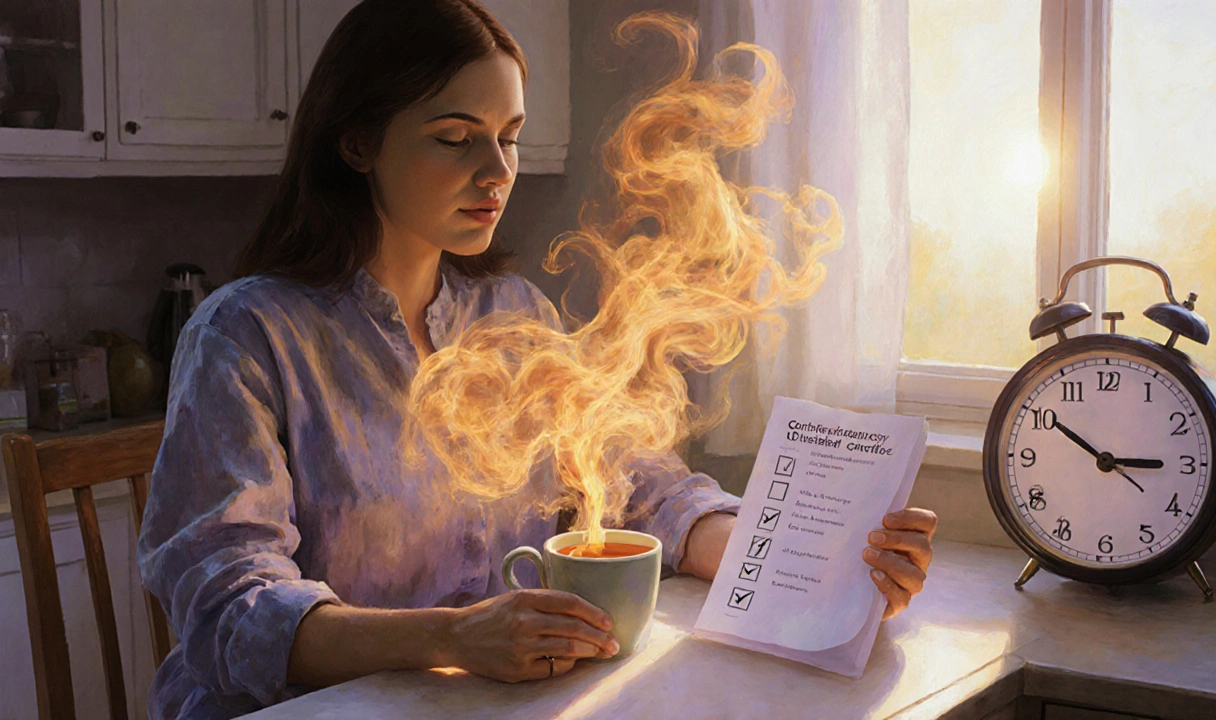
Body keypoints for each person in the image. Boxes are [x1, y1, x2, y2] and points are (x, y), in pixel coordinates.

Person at [137, 1, 938, 717]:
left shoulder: (513, 315)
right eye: (455, 139)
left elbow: (631, 483)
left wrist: (810, 566)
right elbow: (227, 609)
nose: (498, 172)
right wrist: (453, 638)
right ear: (357, 142)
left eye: (510, 138)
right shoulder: (246, 335)